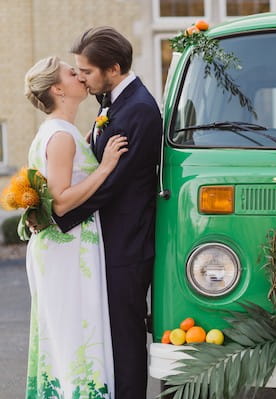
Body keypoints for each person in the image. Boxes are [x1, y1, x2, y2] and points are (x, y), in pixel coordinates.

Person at [52, 26, 163, 399]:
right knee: (110, 330)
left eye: (87, 71)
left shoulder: (140, 111)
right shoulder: (113, 101)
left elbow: (114, 185)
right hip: (111, 237)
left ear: (113, 68)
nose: (81, 77)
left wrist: (59, 216)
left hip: (128, 243)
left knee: (126, 333)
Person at [24, 56, 128, 398]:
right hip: (66, 251)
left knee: (69, 333)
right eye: (72, 73)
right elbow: (61, 202)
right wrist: (105, 166)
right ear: (58, 88)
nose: (80, 75)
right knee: (74, 334)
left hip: (66, 248)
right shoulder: (61, 136)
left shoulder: (62, 132)